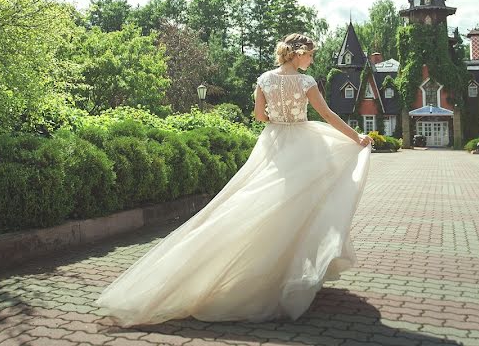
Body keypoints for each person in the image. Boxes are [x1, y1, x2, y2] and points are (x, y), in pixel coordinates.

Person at [95, 33, 373, 326]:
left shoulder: (264, 79)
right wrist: (357, 137)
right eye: (311, 54)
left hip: (274, 143)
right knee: (301, 208)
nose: (312, 59)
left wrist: (277, 116)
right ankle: (283, 276)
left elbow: (259, 116)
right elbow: (327, 114)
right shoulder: (306, 83)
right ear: (299, 53)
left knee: (265, 203)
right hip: (302, 146)